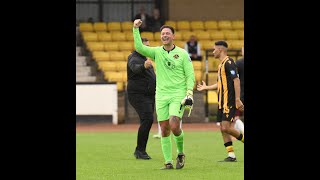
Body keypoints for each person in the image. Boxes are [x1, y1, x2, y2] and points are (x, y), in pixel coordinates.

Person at [132, 19, 195, 170]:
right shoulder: (156, 52)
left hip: (177, 94)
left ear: (173, 36)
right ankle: (168, 162)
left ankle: (180, 153)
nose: (165, 35)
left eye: (168, 33)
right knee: (164, 128)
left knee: (174, 125)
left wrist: (189, 92)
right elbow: (139, 47)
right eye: (163, 34)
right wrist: (135, 29)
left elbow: (190, 74)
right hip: (161, 95)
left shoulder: (182, 53)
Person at [197, 41, 244, 162]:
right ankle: (231, 155)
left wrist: (237, 99)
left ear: (220, 50)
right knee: (223, 128)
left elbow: (236, 80)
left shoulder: (229, 62)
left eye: (214, 49)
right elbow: (221, 83)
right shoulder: (221, 65)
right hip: (221, 102)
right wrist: (207, 87)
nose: (213, 52)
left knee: (226, 127)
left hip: (229, 101)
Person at [127, 37, 156, 160]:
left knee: (147, 120)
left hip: (148, 94)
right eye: (145, 46)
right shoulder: (133, 58)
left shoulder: (145, 58)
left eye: (149, 46)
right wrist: (144, 66)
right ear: (138, 47)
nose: (148, 48)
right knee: (147, 119)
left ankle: (140, 150)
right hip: (138, 94)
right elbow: (135, 68)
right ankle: (140, 150)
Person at [234, 46, 244, 134]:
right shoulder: (238, 62)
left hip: (240, 92)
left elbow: (234, 78)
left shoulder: (239, 62)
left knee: (236, 116)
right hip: (241, 92)